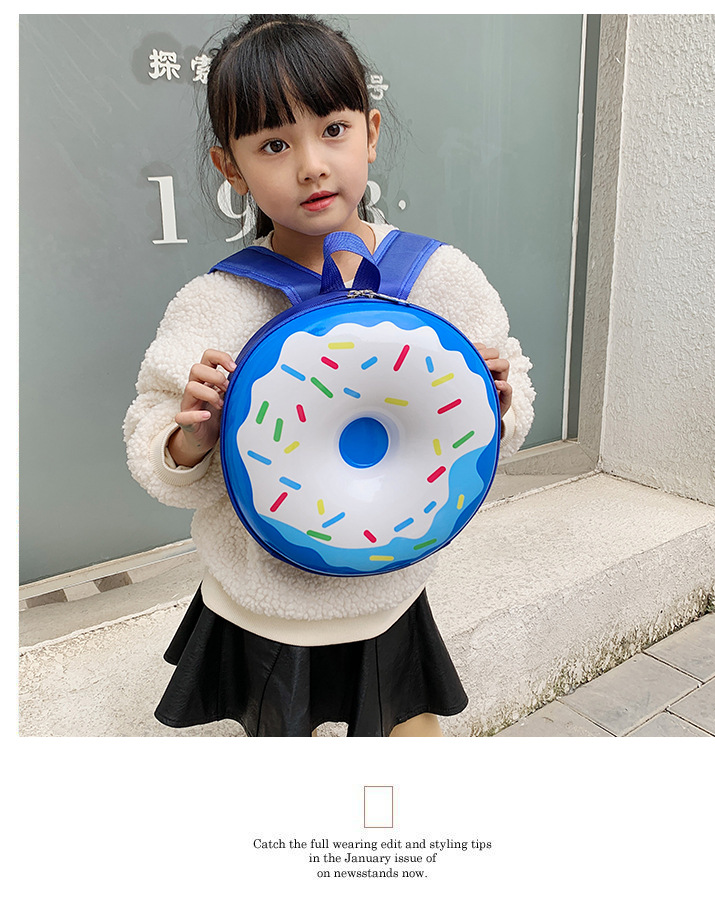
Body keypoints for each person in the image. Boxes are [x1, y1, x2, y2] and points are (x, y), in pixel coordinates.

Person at [123, 14, 535, 738]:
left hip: (388, 592)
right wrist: (188, 438)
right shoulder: (219, 302)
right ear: (230, 167)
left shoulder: (438, 278)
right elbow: (152, 439)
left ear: (370, 132)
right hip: (264, 605)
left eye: (334, 130)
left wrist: (498, 401)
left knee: (409, 745)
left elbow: (507, 406)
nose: (311, 164)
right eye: (274, 144)